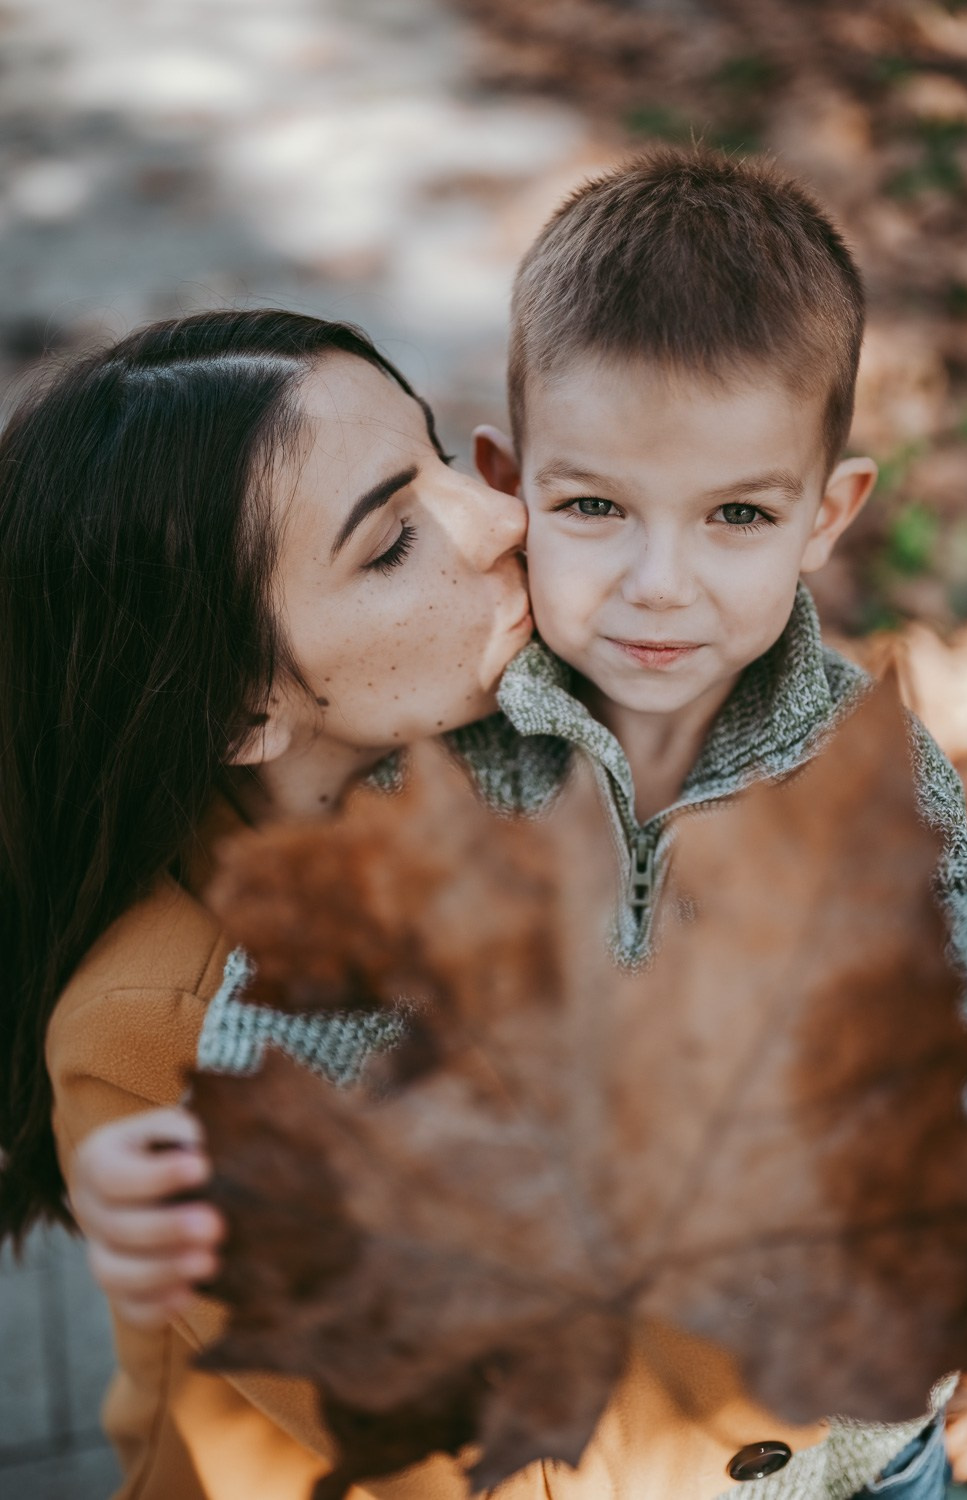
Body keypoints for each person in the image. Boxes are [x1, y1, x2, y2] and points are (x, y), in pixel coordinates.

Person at [65, 150, 967, 1496]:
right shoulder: (438, 779)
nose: (657, 589)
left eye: (735, 515)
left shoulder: (859, 745)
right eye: (590, 509)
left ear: (824, 516)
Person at [0, 307, 532, 1499]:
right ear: (243, 707)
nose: (503, 517)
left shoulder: (500, 743)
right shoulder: (154, 1035)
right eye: (394, 540)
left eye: (441, 452)